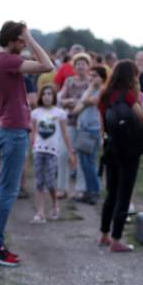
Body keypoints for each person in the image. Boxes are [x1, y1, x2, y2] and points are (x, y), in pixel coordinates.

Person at [0, 21, 54, 267]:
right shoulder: (6, 60)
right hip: (12, 131)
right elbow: (48, 65)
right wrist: (32, 38)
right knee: (7, 191)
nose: (25, 45)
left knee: (7, 190)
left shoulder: (4, 61)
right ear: (14, 40)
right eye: (22, 40)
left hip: (14, 130)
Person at [98, 60, 143, 253]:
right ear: (131, 76)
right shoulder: (130, 96)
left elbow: (103, 122)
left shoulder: (105, 95)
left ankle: (104, 234)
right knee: (125, 193)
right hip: (129, 151)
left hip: (111, 147)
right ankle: (117, 240)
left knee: (112, 192)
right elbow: (142, 118)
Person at [30, 84, 75, 223]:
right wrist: (32, 146)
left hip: (52, 151)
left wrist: (70, 151)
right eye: (44, 94)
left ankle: (55, 203)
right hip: (39, 150)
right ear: (40, 96)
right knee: (39, 182)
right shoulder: (36, 113)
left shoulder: (59, 113)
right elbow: (33, 132)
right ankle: (40, 211)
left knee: (50, 181)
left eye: (49, 94)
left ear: (54, 96)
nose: (47, 96)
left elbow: (64, 133)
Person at [69, 65, 107, 204]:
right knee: (84, 163)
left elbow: (84, 103)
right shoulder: (91, 91)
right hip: (83, 129)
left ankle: (94, 192)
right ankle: (89, 191)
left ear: (102, 78)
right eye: (90, 75)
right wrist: (84, 99)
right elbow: (76, 110)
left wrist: (89, 90)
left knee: (89, 163)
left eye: (94, 75)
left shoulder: (101, 91)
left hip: (92, 130)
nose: (91, 78)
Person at [58, 53, 93, 200]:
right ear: (74, 66)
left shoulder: (92, 82)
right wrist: (67, 101)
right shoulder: (69, 81)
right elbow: (60, 97)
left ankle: (80, 188)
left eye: (83, 63)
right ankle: (62, 188)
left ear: (87, 66)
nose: (80, 66)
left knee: (82, 156)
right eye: (78, 63)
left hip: (85, 125)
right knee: (63, 154)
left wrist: (82, 104)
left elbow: (94, 98)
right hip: (70, 122)